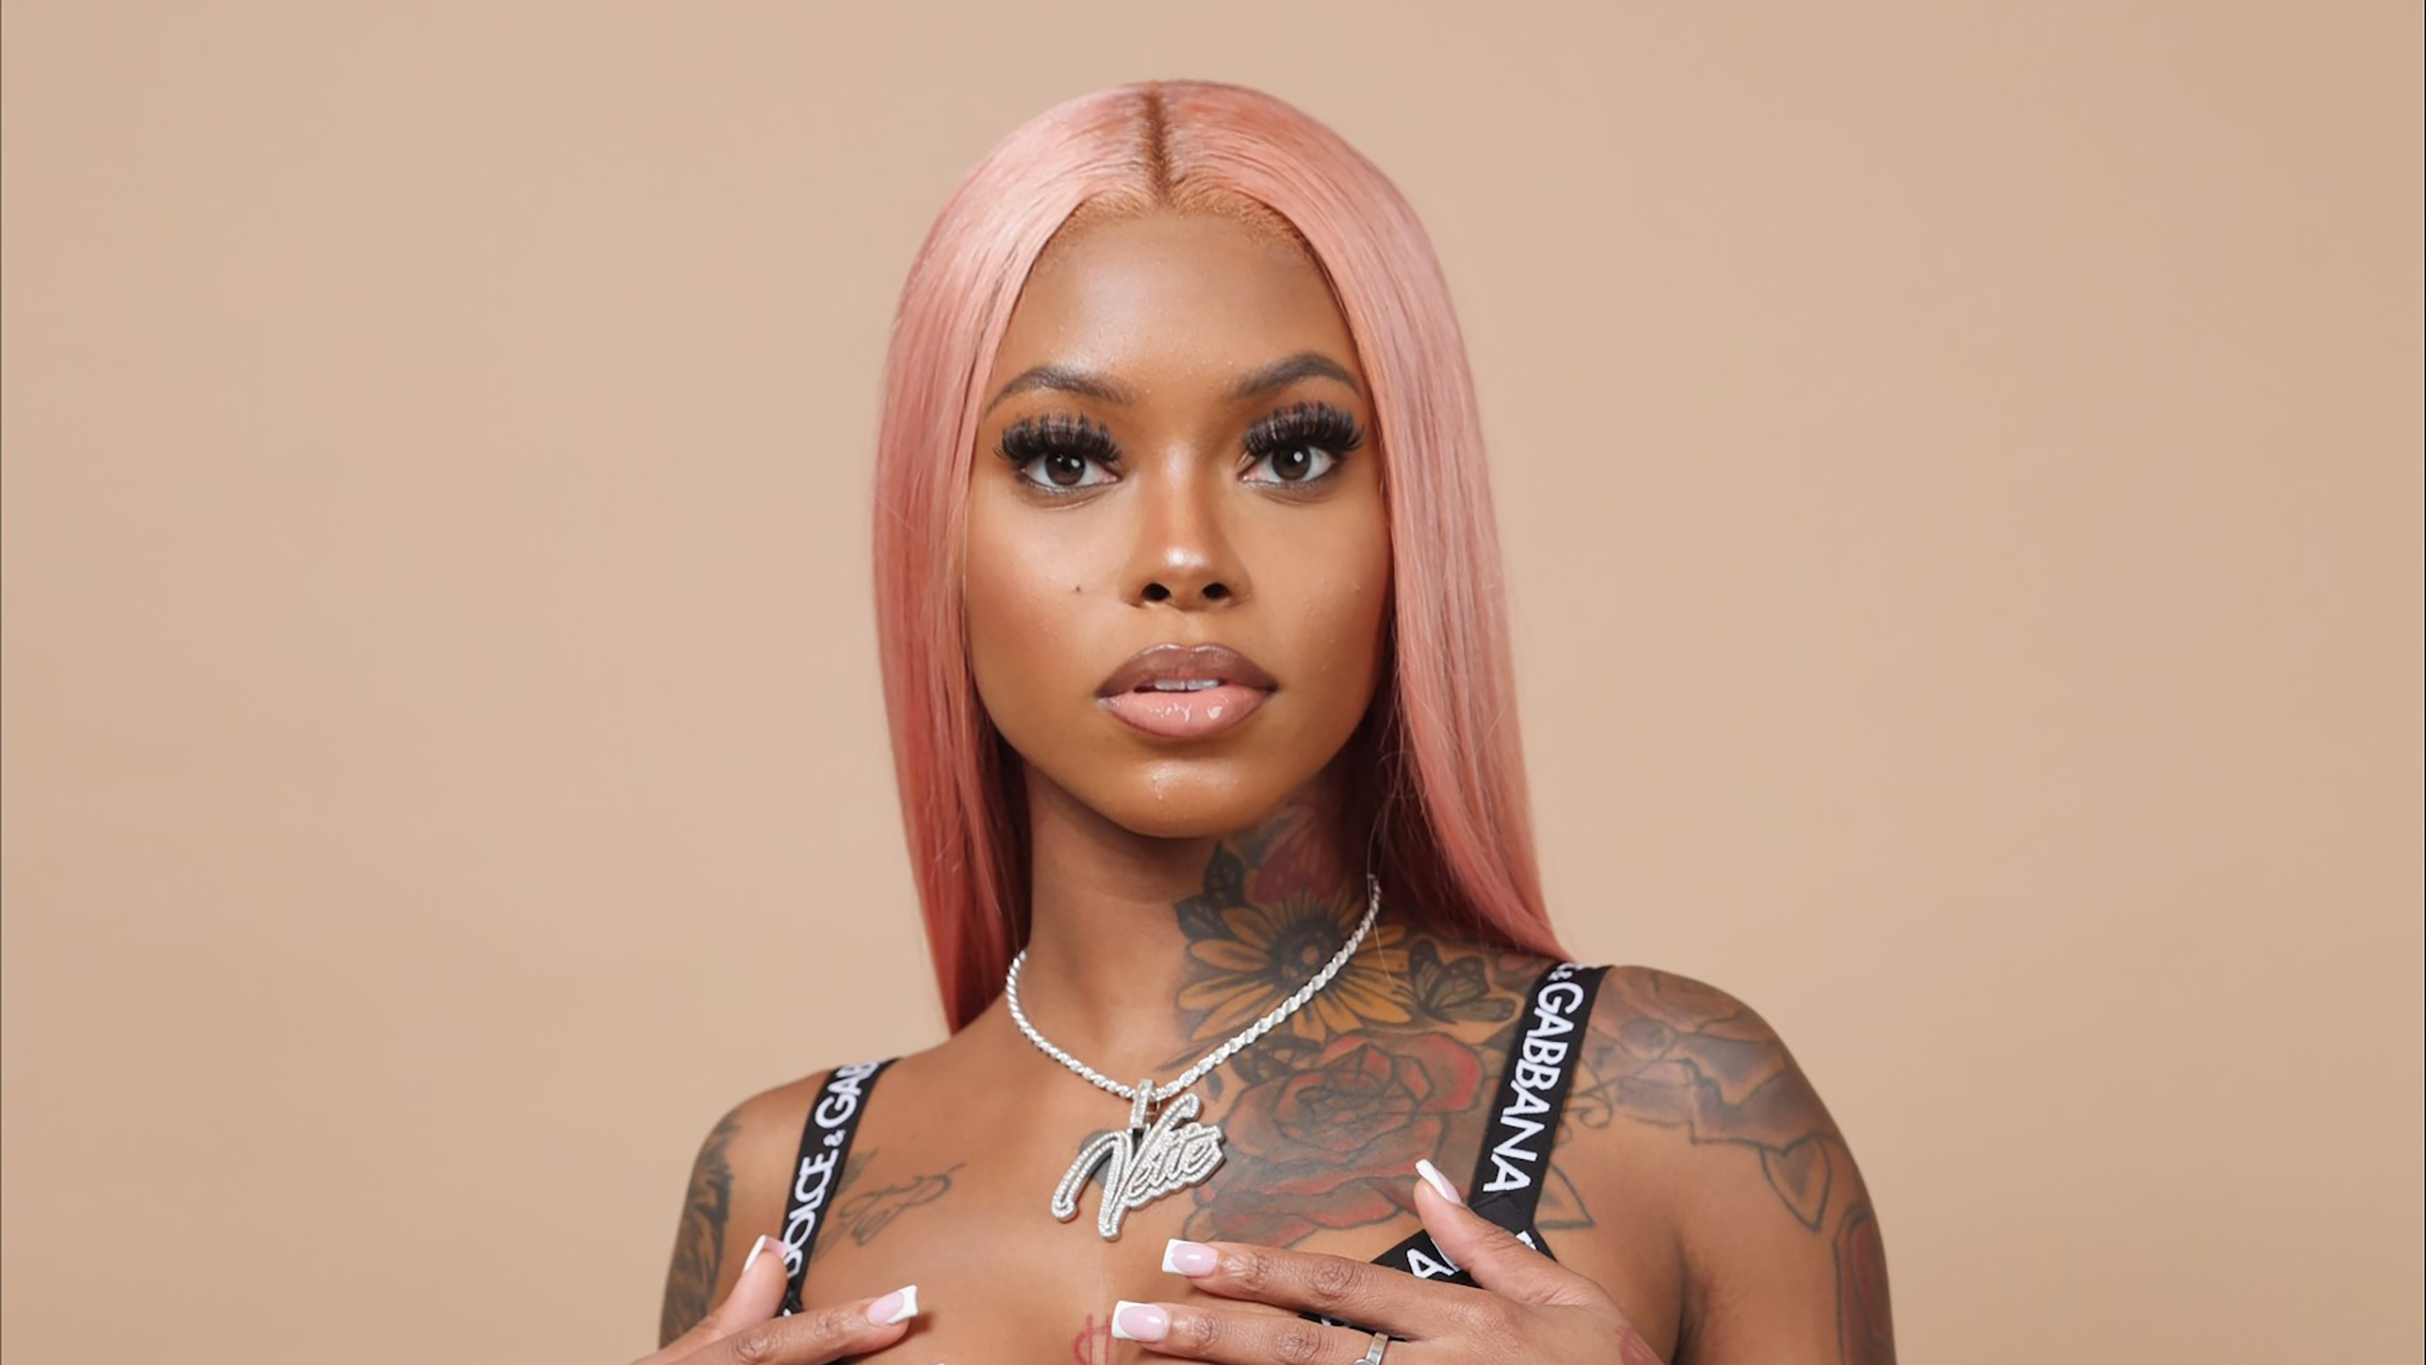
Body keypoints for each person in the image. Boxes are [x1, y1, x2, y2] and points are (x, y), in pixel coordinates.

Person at [633, 79, 1894, 1365]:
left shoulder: (1684, 1108)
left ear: (1412, 518)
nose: (1183, 556)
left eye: (1290, 454)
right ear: (933, 538)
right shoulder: (769, 1181)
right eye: (1066, 458)